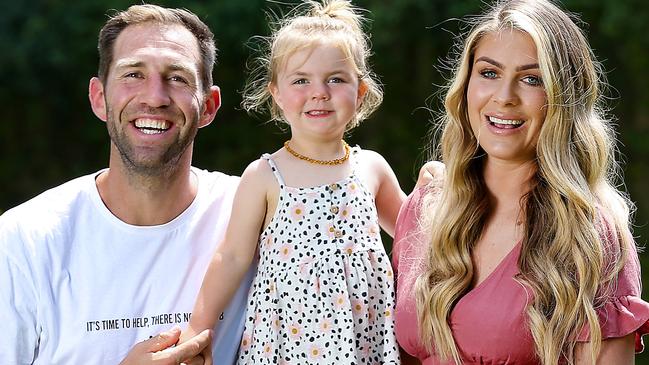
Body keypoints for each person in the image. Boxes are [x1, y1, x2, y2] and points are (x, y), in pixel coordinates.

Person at [392, 0, 649, 364]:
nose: (504, 97)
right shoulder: (426, 206)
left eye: (532, 79)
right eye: (489, 73)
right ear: (466, 85)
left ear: (564, 99)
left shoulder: (590, 237)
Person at [0, 4, 254, 364]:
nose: (154, 97)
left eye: (178, 78)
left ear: (209, 106)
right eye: (133, 74)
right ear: (99, 98)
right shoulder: (24, 239)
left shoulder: (252, 215)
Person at [180, 0, 405, 363]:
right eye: (301, 80)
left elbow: (416, 237)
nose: (319, 92)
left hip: (362, 341)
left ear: (360, 91)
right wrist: (197, 330)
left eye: (336, 79)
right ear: (277, 94)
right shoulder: (266, 175)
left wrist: (436, 185)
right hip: (288, 343)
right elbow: (233, 257)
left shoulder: (371, 168)